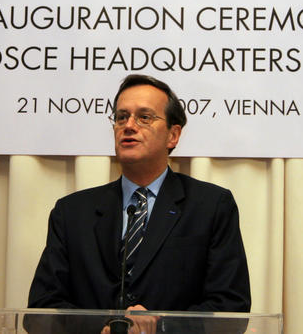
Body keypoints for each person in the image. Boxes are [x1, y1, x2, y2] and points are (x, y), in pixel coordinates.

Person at [28, 74, 251, 330]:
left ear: (173, 135)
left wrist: (159, 328)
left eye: (144, 117)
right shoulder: (72, 213)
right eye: (121, 117)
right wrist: (104, 328)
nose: (129, 126)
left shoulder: (211, 207)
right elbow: (41, 311)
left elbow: (230, 310)